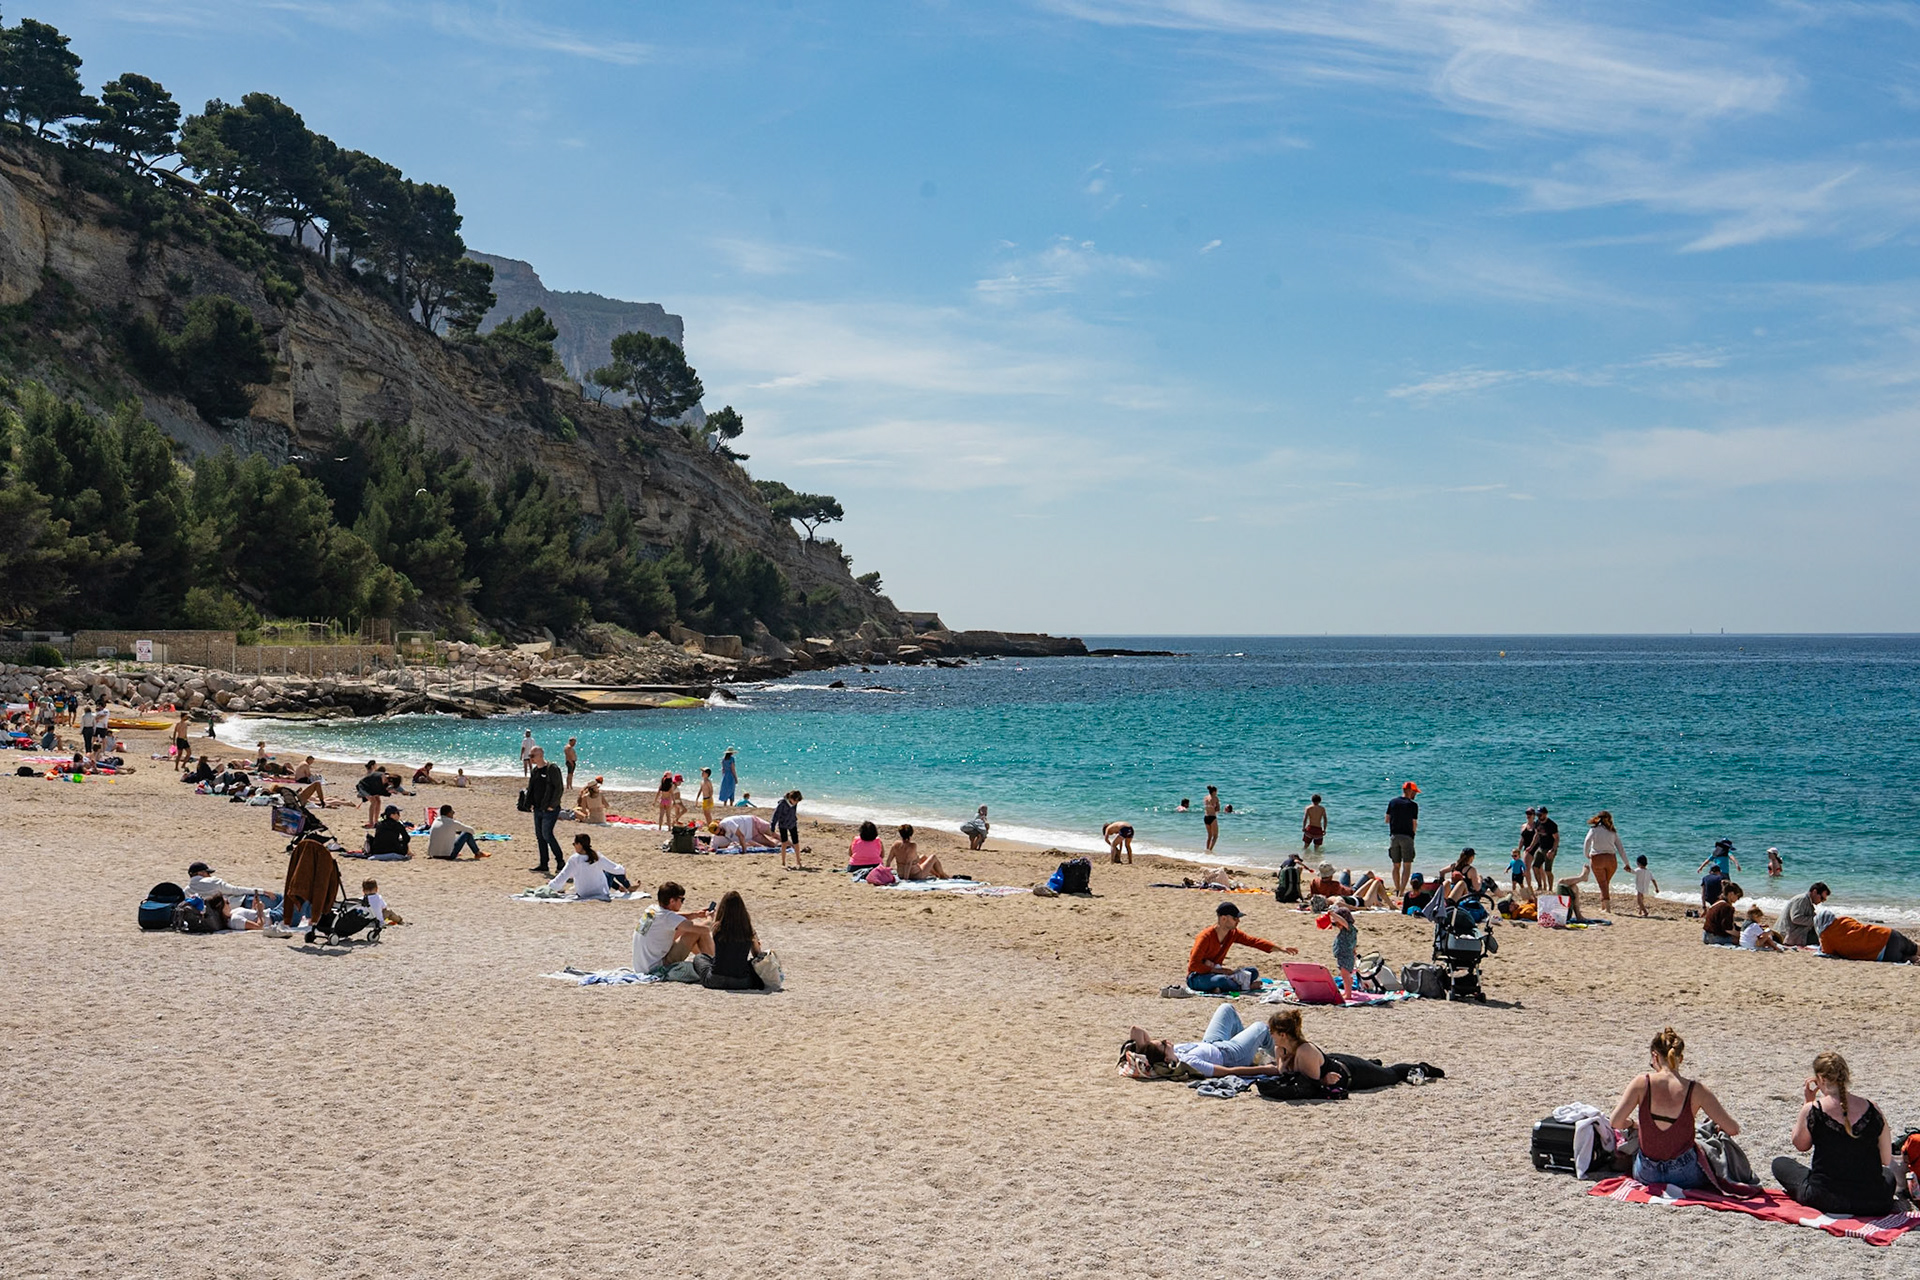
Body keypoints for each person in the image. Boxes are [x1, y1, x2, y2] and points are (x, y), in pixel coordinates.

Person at [1608, 1027, 1742, 1191]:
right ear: (1681, 1058)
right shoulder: (1696, 1090)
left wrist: (1632, 1124)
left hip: (1647, 1173)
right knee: (1707, 1137)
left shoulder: (1642, 1083)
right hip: (1685, 1174)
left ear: (1655, 1056)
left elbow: (1615, 1122)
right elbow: (1733, 1129)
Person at [1771, 1052, 1898, 1216]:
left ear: (1821, 1079)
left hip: (1825, 1197)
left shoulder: (1813, 1109)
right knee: (1887, 1175)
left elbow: (1800, 1145)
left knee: (1780, 1163)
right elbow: (1886, 1159)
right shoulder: (1872, 1108)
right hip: (1874, 1201)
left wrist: (1807, 1103)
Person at [1267, 1007, 1442, 1091]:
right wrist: (1240, 1071)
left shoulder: (1305, 1051)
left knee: (1392, 1074)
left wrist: (1324, 1081)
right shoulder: (1282, 1049)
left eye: (1271, 1032)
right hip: (1334, 1062)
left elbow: (1312, 1085)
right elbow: (1278, 1071)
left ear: (1283, 1034)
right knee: (1376, 1068)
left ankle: (1423, 1067)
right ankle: (1372, 1063)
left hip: (1351, 1072)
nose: (1270, 1035)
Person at [1125, 1004, 1285, 1079]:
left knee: (1226, 1009)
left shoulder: (1170, 1054)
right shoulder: (1189, 1062)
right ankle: (1285, 1061)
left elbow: (1135, 1030)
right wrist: (1264, 1069)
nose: (1167, 1041)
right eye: (1163, 1044)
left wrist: (1140, 1052)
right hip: (1232, 1055)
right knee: (1261, 1028)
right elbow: (1228, 1071)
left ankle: (1254, 1052)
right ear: (1166, 1058)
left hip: (1213, 1042)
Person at [1186, 901, 1296, 993]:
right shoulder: (1205, 937)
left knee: (1253, 971)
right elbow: (1194, 965)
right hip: (1197, 977)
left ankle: (1224, 988)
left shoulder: (1233, 933)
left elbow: (1253, 941)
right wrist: (1219, 971)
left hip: (1216, 973)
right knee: (1221, 980)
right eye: (1235, 918)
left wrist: (1280, 948)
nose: (1238, 921)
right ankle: (1243, 987)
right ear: (1224, 919)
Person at [632, 881, 716, 975]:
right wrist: (710, 917)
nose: (682, 903)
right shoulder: (668, 918)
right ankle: (715, 966)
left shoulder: (652, 910)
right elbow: (705, 928)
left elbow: (675, 917)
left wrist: (695, 914)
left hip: (642, 966)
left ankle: (707, 960)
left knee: (686, 927)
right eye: (681, 900)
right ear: (672, 901)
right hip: (657, 967)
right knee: (697, 931)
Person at [702, 889, 766, 990]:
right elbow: (757, 954)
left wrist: (709, 917)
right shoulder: (748, 930)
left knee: (700, 958)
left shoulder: (717, 928)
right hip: (741, 981)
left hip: (716, 979)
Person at [1814, 907, 1920, 964]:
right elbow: (1858, 926)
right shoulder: (1844, 920)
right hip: (1887, 934)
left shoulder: (1826, 936)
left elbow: (1826, 952)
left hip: (1882, 953)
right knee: (1914, 947)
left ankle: (1912, 959)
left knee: (1905, 957)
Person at [545, 833, 627, 901]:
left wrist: (551, 885)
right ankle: (627, 886)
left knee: (607, 871)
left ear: (579, 844)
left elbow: (563, 876)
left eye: (574, 844)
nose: (574, 846)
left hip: (583, 892)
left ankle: (624, 887)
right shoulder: (597, 856)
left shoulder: (574, 859)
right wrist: (623, 870)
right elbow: (616, 869)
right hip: (600, 891)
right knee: (609, 871)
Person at [526, 747, 566, 875]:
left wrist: (552, 805)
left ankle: (560, 862)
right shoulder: (535, 771)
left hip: (549, 809)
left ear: (541, 755)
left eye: (533, 755)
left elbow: (559, 788)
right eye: (530, 756)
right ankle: (544, 864)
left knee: (547, 834)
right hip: (538, 808)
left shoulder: (552, 769)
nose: (531, 758)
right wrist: (529, 803)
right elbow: (531, 787)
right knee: (540, 837)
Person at [1584, 812, 1623, 912]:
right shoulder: (1612, 831)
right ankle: (1603, 906)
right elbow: (1620, 848)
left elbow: (1587, 841)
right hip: (1611, 859)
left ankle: (1608, 909)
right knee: (1605, 883)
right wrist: (1626, 863)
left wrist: (1586, 854)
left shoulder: (1594, 830)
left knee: (1602, 883)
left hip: (1598, 858)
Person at [1385, 781, 1419, 896]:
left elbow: (1387, 819)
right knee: (1407, 864)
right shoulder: (1413, 805)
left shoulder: (1393, 802)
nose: (1415, 795)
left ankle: (1397, 888)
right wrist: (1413, 835)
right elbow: (1414, 823)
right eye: (1415, 792)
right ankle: (1401, 892)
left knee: (1396, 865)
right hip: (1407, 836)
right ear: (1410, 791)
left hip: (1394, 836)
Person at [1323, 898, 1358, 997]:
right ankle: (1347, 991)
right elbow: (1354, 942)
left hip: (1346, 955)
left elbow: (1343, 921)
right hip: (1345, 954)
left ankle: (1348, 994)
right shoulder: (1349, 931)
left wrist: (1333, 914)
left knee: (1345, 975)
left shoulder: (1349, 928)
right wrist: (1354, 950)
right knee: (1346, 975)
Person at [1779, 881, 1830, 947]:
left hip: (1795, 933)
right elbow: (1796, 918)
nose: (1821, 901)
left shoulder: (1807, 901)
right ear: (1814, 892)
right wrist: (1816, 920)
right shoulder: (1802, 899)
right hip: (1789, 934)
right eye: (1822, 898)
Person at [1697, 839, 1739, 905]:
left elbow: (1707, 861)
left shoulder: (1715, 853)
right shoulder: (1727, 852)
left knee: (1718, 889)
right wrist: (1736, 864)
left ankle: (1717, 902)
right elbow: (1732, 858)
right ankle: (1727, 904)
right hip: (1724, 874)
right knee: (1728, 890)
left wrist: (1701, 867)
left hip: (1715, 873)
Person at [1529, 806, 1560, 892]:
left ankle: (1550, 889)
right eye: (1537, 815)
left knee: (1548, 871)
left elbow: (1556, 838)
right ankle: (1540, 886)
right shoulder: (1538, 823)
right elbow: (1537, 835)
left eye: (1540, 815)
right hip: (1541, 848)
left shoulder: (1552, 825)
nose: (1539, 816)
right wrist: (1531, 846)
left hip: (1550, 849)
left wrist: (1552, 850)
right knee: (1535, 867)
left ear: (1545, 814)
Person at [772, 790, 804, 868]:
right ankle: (783, 862)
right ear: (790, 798)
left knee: (796, 842)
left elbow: (793, 812)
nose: (796, 803)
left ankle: (798, 861)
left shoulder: (795, 803)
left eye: (797, 802)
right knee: (784, 843)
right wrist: (772, 827)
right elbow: (776, 815)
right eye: (795, 801)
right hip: (783, 825)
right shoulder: (782, 803)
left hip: (792, 824)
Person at [355, 760, 390, 829]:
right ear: (373, 766)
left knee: (378, 802)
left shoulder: (373, 772)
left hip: (371, 789)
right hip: (368, 790)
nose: (377, 766)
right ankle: (371, 822)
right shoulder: (371, 772)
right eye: (375, 765)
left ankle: (375, 821)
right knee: (374, 802)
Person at [1203, 785, 1221, 853]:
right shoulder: (1215, 798)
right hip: (1212, 817)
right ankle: (1210, 850)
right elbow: (1217, 809)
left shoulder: (1205, 798)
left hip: (1206, 817)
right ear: (1214, 791)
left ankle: (1207, 849)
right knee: (1215, 836)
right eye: (1216, 791)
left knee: (1209, 836)